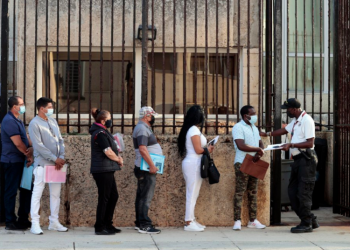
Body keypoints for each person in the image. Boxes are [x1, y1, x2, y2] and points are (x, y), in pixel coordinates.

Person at [260, 98, 319, 233]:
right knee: (292, 192)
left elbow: (310, 143)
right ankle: (310, 219)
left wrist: (291, 145)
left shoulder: (307, 120)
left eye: (288, 109)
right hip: (298, 160)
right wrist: (267, 134)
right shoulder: (296, 121)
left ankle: (306, 223)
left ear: (294, 109)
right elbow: (284, 130)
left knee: (303, 193)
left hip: (307, 160)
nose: (287, 112)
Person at [28, 97, 68, 235]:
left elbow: (60, 140)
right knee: (37, 193)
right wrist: (54, 158)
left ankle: (54, 222)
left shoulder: (52, 121)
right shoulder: (34, 124)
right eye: (49, 107)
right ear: (41, 108)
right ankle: (35, 223)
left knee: (55, 194)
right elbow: (38, 146)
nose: (51, 109)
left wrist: (61, 157)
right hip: (43, 164)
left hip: (57, 164)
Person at [177, 105, 214, 232]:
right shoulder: (193, 130)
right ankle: (188, 222)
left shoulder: (191, 129)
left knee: (194, 193)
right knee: (192, 193)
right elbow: (198, 150)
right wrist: (208, 149)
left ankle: (191, 219)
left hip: (194, 163)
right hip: (193, 163)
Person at [0, 96, 33, 230]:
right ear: (14, 107)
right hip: (12, 161)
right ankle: (10, 221)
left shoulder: (17, 120)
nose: (23, 106)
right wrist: (29, 154)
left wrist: (33, 146)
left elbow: (26, 138)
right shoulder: (9, 121)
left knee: (26, 189)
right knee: (11, 191)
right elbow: (18, 143)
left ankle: (23, 219)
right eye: (22, 104)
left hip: (20, 160)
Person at [231, 105, 266, 231]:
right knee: (240, 192)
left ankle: (253, 220)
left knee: (253, 192)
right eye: (253, 113)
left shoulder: (254, 128)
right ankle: (237, 220)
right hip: (242, 162)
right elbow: (241, 145)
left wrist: (259, 152)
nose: (255, 116)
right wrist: (258, 149)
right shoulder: (238, 127)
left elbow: (260, 142)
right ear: (246, 116)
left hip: (254, 161)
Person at [89, 108, 123, 235]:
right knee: (105, 197)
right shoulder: (100, 133)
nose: (110, 121)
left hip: (107, 168)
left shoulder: (103, 131)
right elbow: (107, 151)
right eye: (109, 119)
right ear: (103, 121)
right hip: (102, 170)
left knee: (113, 196)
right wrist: (118, 159)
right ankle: (100, 226)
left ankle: (108, 224)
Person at [132, 107, 162, 234]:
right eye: (152, 116)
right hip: (146, 168)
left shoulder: (143, 128)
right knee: (145, 196)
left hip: (145, 167)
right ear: (146, 116)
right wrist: (152, 166)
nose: (153, 118)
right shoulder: (142, 129)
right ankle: (144, 224)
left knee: (142, 196)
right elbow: (143, 149)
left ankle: (140, 222)